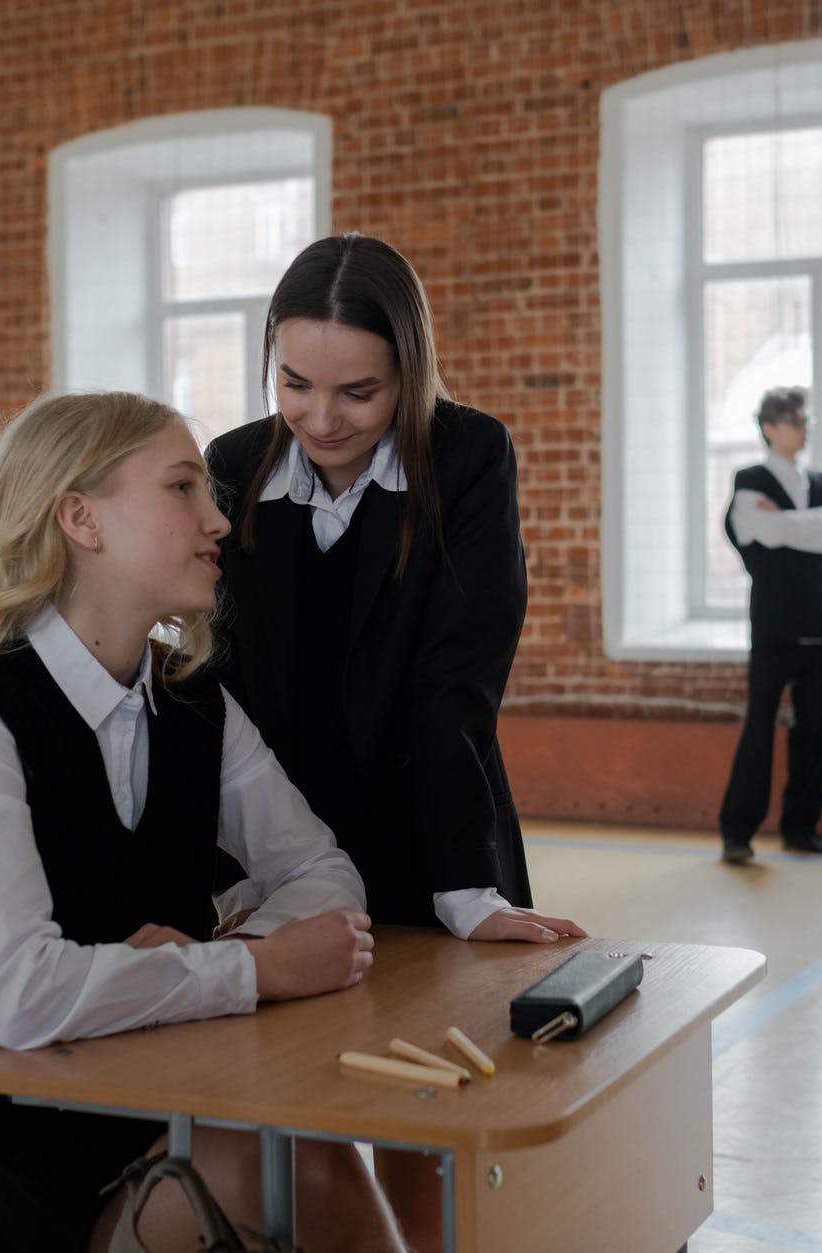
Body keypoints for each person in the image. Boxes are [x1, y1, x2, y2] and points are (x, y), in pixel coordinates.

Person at [0, 391, 402, 1253]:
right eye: (183, 489)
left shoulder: (193, 703)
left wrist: (207, 959)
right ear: (81, 519)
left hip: (123, 1123)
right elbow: (17, 996)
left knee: (307, 1155)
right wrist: (250, 966)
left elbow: (322, 872)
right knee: (272, 1171)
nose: (219, 521)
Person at [205, 232, 583, 1250]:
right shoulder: (234, 467)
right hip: (273, 852)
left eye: (357, 394)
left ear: (408, 376)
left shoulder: (467, 456)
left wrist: (468, 892)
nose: (320, 419)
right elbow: (222, 694)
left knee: (430, 1127)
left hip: (432, 832)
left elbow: (452, 684)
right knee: (291, 1116)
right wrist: (234, 877)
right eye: (294, 383)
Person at [717, 385, 822, 864]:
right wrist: (815, 527)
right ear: (770, 428)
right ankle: (738, 832)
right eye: (795, 421)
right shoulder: (750, 478)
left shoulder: (819, 479)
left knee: (815, 729)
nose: (803, 429)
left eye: (804, 421)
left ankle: (803, 828)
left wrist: (795, 525)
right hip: (775, 625)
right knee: (759, 728)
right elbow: (761, 530)